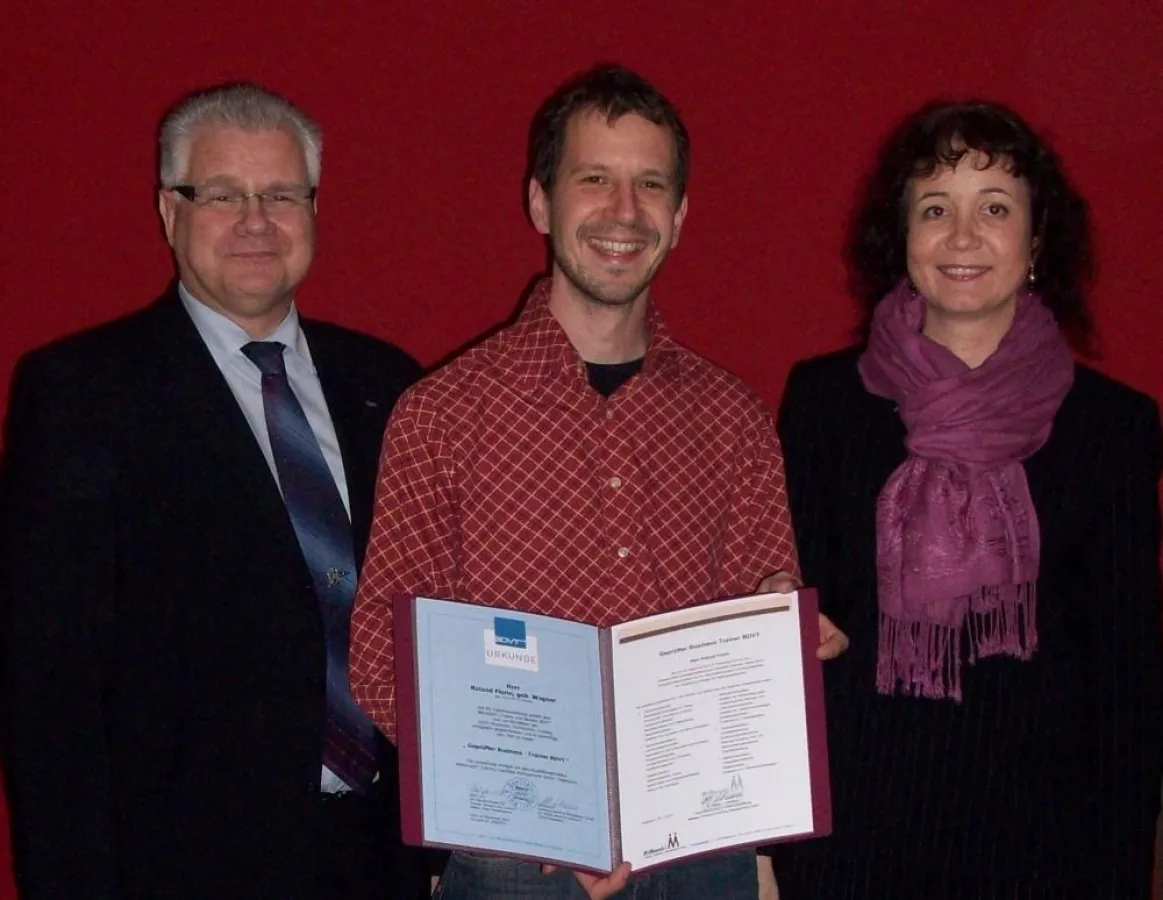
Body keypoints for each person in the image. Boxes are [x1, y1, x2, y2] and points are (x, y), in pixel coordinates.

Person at [348, 64, 847, 900]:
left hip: (699, 857)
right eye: (594, 181)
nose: (623, 212)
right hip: (516, 866)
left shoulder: (732, 417)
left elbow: (759, 601)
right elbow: (379, 658)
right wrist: (534, 810)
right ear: (541, 203)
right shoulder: (440, 414)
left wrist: (775, 624)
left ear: (680, 216)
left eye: (649, 185)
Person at [0, 83, 427, 899]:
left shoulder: (388, 384)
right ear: (170, 212)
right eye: (223, 195)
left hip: (379, 861)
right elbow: (49, 692)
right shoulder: (82, 394)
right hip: (182, 864)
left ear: (313, 208)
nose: (256, 222)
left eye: (281, 195)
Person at [770, 99, 1163, 899]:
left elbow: (1128, 686)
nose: (960, 236)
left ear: (1035, 238)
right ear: (901, 236)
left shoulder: (1113, 429)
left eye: (993, 208)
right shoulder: (821, 404)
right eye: (934, 208)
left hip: (1040, 851)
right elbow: (796, 619)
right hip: (853, 843)